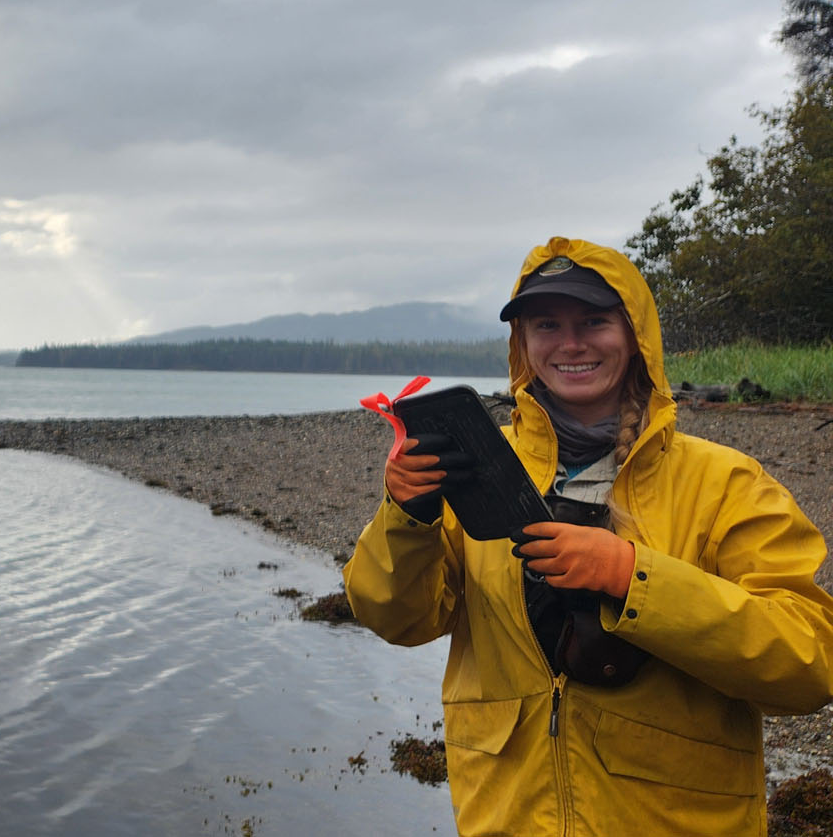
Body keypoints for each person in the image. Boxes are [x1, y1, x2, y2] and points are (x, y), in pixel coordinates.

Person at [343, 236, 833, 835]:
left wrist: (634, 578)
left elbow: (809, 661)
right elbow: (395, 618)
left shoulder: (723, 482)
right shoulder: (478, 471)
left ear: (633, 336)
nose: (570, 343)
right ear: (522, 343)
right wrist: (407, 514)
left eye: (594, 321)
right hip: (508, 817)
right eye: (546, 324)